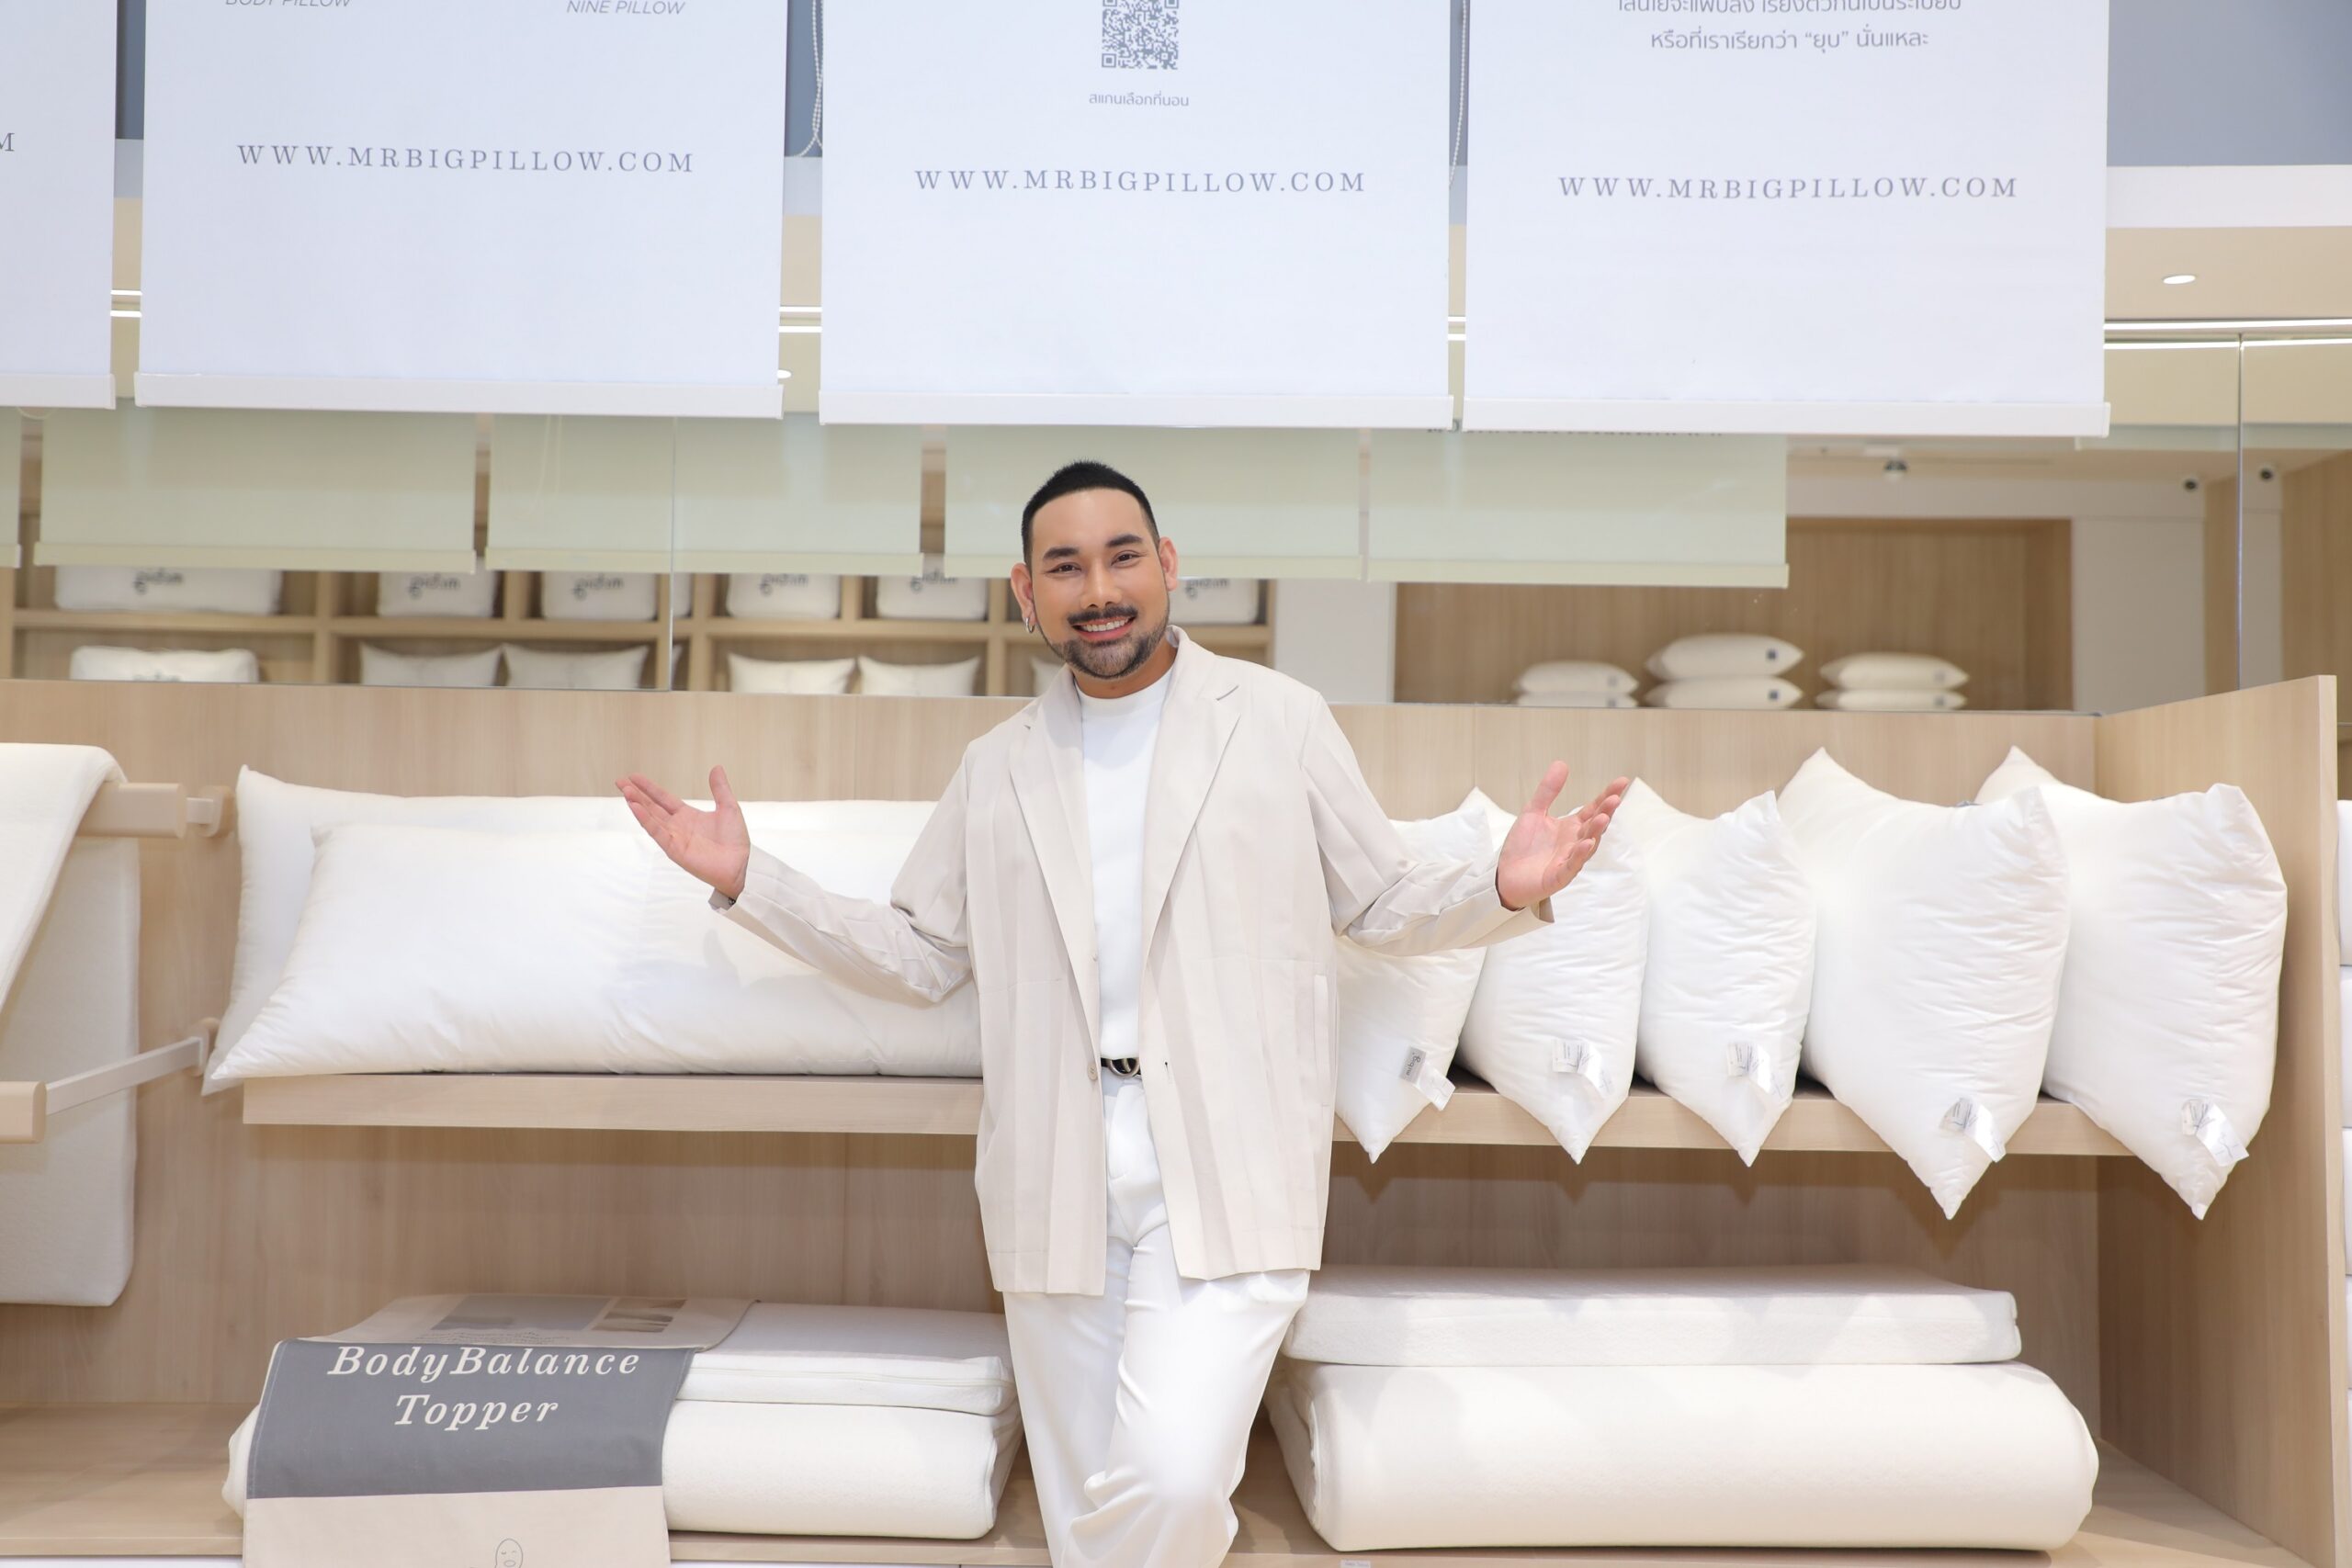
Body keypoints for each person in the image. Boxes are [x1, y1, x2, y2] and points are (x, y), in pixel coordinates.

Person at [617, 460, 1627, 1568]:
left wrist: (1501, 886)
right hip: (1054, 1165)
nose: (1098, 590)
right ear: (1026, 593)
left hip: (1230, 1153)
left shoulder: (1278, 721)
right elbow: (920, 953)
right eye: (1065, 567)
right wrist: (752, 880)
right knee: (1083, 1512)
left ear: (1167, 565)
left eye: (1121, 558)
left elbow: (1379, 900)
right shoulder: (997, 767)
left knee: (1172, 1479)